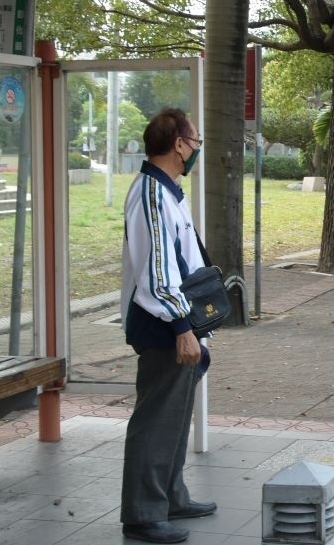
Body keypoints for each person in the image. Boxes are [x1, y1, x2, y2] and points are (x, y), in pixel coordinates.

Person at [120, 109, 216, 544]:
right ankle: (142, 513)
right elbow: (157, 272)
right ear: (178, 144)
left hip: (177, 322)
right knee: (157, 419)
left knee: (174, 417)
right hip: (164, 325)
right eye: (194, 141)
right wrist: (182, 326)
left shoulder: (167, 192)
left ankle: (171, 496)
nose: (196, 149)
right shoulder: (153, 195)